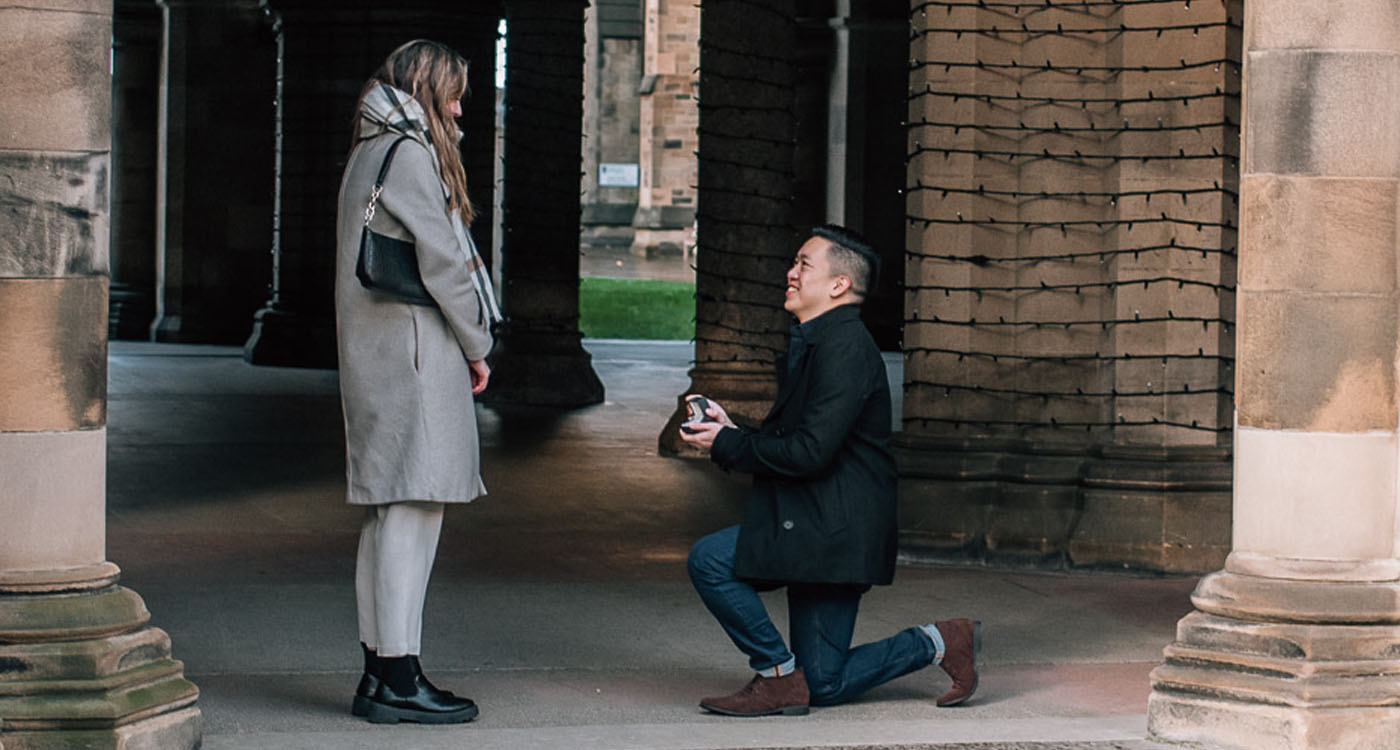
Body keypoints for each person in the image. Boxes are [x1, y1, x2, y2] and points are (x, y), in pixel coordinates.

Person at [679, 225, 981, 716]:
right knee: (823, 682)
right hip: (825, 523)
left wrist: (730, 444)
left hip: (830, 530)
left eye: (803, 264)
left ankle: (776, 675)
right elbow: (805, 437)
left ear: (838, 285)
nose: (790, 273)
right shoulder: (823, 342)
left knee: (711, 561)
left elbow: (809, 452)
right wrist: (733, 428)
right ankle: (940, 641)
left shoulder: (842, 348)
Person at [334, 39, 502, 725]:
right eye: (453, 94)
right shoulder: (409, 155)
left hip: (381, 348)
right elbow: (445, 263)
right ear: (427, 91)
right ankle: (400, 676)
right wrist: (479, 342)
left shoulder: (369, 147)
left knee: (389, 513)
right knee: (414, 509)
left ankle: (382, 672)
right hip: (413, 351)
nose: (461, 108)